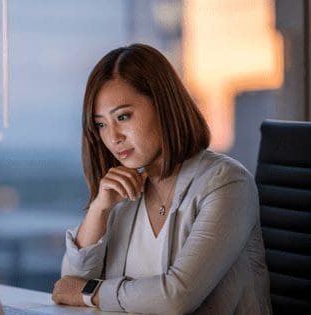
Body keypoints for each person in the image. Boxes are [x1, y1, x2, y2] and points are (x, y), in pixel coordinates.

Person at [51, 44, 271, 314]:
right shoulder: (124, 192)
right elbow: (67, 285)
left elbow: (176, 297)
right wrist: (99, 209)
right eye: (101, 124)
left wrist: (90, 292)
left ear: (163, 105)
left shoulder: (227, 184)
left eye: (123, 117)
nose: (113, 137)